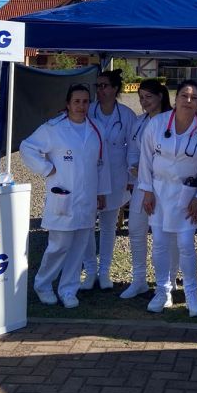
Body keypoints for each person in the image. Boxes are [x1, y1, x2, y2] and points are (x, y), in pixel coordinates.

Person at [20, 83, 110, 309]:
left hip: (87, 198)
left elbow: (102, 163)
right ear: (68, 104)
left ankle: (68, 289)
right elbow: (27, 147)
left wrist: (102, 192)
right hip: (63, 197)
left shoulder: (96, 128)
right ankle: (43, 285)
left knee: (79, 246)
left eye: (85, 101)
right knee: (59, 246)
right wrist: (46, 168)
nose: (81, 106)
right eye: (77, 101)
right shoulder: (53, 128)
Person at [138, 79, 197, 316]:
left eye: (194, 98)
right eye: (184, 96)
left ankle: (192, 293)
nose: (189, 101)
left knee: (185, 244)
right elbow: (145, 158)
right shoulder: (158, 124)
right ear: (175, 99)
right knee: (160, 244)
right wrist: (147, 190)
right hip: (159, 193)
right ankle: (163, 291)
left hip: (187, 194)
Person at [81, 69, 138, 289]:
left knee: (108, 226)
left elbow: (132, 149)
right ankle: (89, 271)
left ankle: (104, 272)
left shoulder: (126, 115)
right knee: (87, 225)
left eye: (105, 86)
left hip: (116, 175)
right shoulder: (88, 111)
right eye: (98, 86)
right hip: (89, 176)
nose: (101, 90)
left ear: (115, 89)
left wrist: (131, 177)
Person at [120, 79, 172, 299]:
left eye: (148, 97)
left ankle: (168, 281)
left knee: (167, 235)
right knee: (135, 230)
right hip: (142, 185)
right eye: (141, 98)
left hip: (167, 186)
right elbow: (132, 151)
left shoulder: (173, 120)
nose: (143, 102)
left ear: (161, 96)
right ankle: (139, 279)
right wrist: (134, 167)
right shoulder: (139, 122)